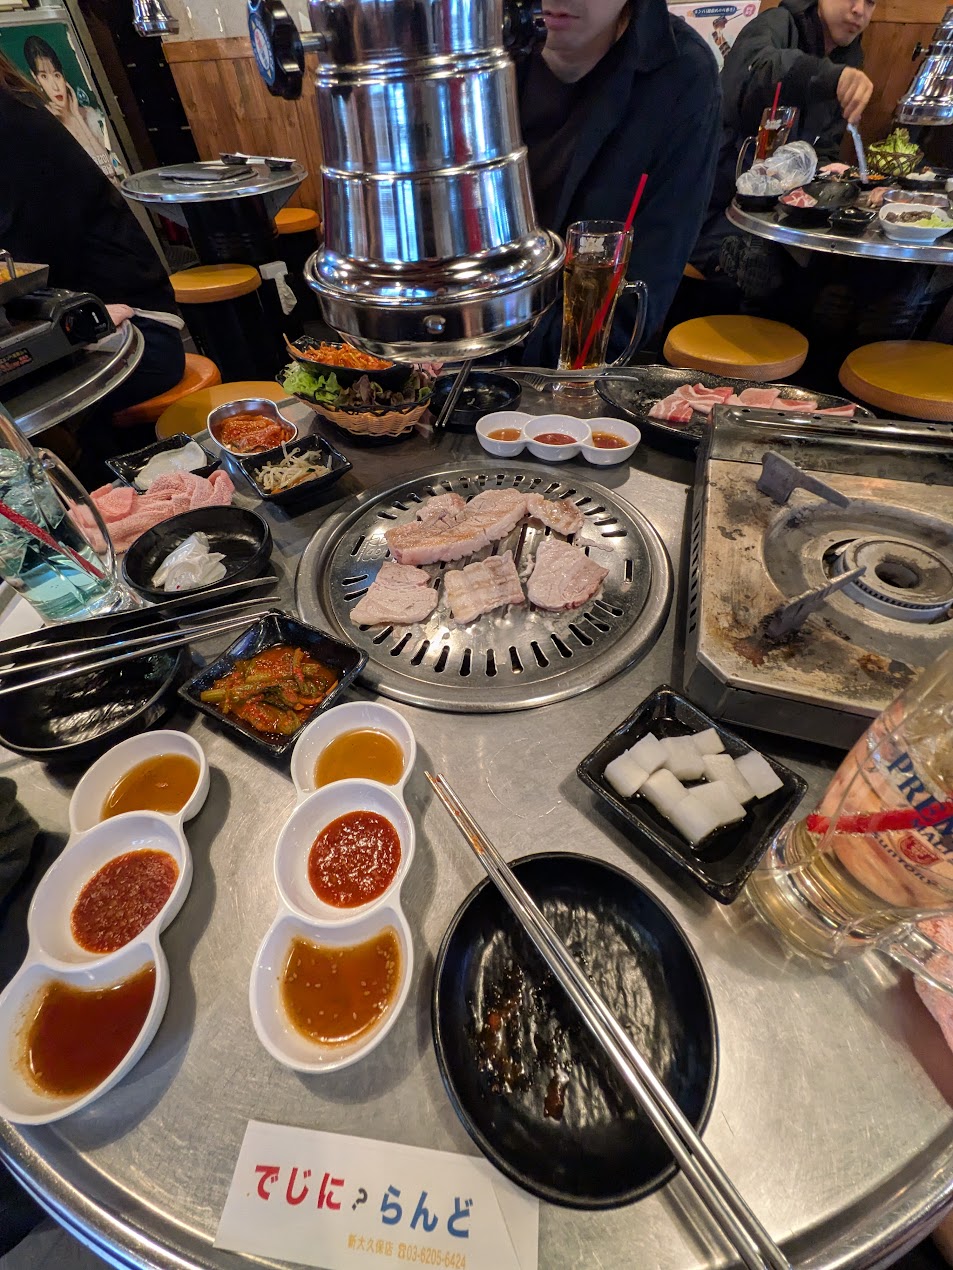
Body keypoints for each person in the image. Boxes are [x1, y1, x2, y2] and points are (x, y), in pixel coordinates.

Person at [0, 51, 185, 459]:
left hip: (138, 334)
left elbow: (36, 255)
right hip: (91, 332)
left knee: (19, 427)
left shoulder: (11, 119)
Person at [515, 0, 722, 365]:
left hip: (570, 367)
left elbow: (647, 281)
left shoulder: (682, 74)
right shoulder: (477, 41)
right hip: (444, 343)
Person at [692, 0, 875, 276]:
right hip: (713, 207)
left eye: (871, 2)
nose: (859, 10)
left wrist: (830, 169)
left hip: (777, 214)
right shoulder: (778, 23)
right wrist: (826, 76)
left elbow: (823, 145)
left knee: (843, 270)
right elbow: (753, 73)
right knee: (765, 272)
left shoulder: (848, 58)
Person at [22, 34, 121, 185]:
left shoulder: (89, 114)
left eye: (56, 75)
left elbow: (110, 170)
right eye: (44, 76)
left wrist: (78, 118)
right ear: (36, 79)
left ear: (63, 75)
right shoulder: (44, 125)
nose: (55, 87)